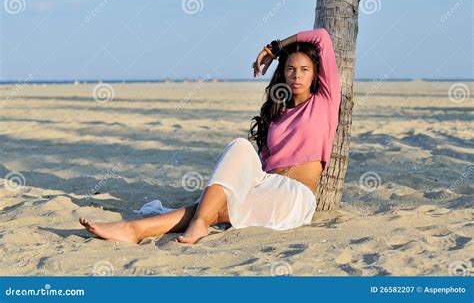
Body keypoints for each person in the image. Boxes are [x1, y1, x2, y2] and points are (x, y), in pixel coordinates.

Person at [79, 28, 341, 244]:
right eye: (290, 69)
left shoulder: (325, 102)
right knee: (239, 147)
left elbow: (322, 37)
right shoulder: (276, 114)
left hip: (294, 197)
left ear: (316, 74)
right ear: (283, 73)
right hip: (265, 184)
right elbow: (260, 166)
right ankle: (142, 229)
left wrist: (274, 48)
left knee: (214, 209)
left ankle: (140, 228)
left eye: (304, 69)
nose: (296, 76)